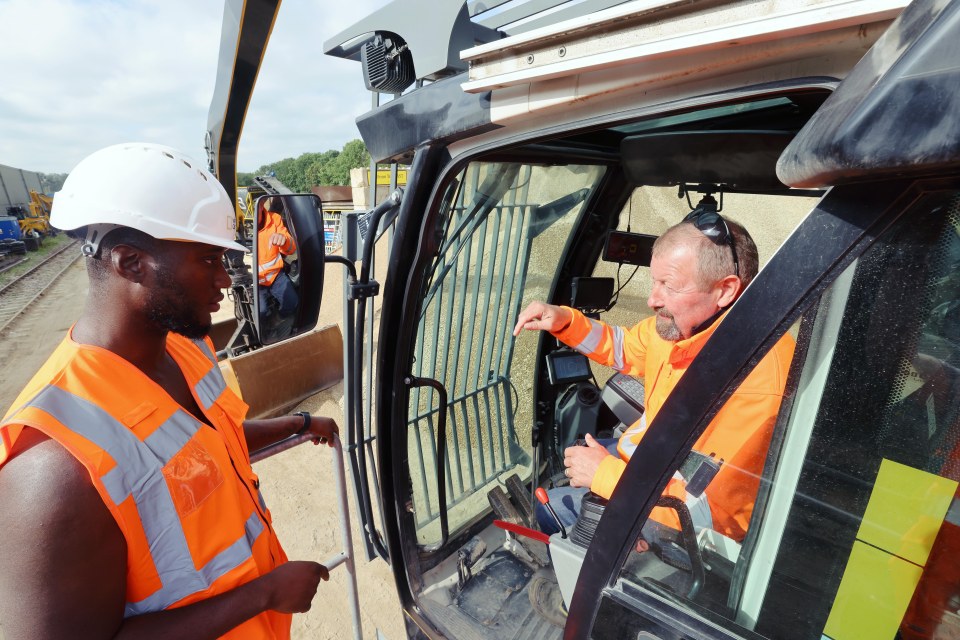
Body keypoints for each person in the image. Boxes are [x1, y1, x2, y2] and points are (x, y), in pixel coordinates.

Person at [0, 143, 339, 639]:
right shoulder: (54, 469)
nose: (226, 279)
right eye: (207, 260)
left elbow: (202, 455)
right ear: (130, 263)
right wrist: (263, 594)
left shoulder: (186, 347)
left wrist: (297, 424)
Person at [514, 209, 795, 542]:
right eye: (653, 282)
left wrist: (603, 474)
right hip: (645, 467)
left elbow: (705, 514)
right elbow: (622, 347)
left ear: (725, 290)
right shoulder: (681, 330)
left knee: (547, 510)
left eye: (669, 286)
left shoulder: (757, 384)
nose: (651, 300)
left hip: (672, 525)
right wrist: (563, 320)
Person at [257, 196, 299, 321]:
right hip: (255, 281)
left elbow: (291, 248)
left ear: (262, 203)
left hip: (276, 275)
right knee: (261, 312)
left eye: (256, 206)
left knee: (292, 303)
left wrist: (284, 240)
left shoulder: (275, 219)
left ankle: (277, 320)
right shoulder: (237, 227)